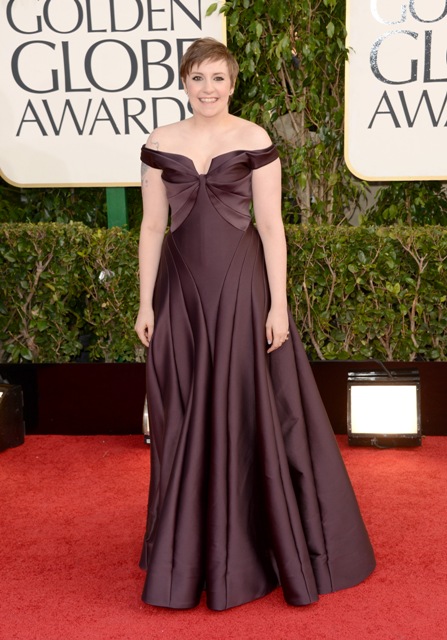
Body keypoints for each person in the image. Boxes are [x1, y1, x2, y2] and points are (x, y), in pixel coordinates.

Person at [135, 37, 375, 611]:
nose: (208, 89)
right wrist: (146, 304)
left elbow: (271, 227)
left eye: (218, 78)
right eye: (198, 78)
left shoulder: (255, 139)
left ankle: (249, 546)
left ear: (233, 84)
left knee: (248, 411)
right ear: (184, 82)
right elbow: (151, 228)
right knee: (182, 411)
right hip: (181, 292)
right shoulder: (159, 142)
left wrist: (278, 305)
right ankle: (188, 545)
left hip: (242, 290)